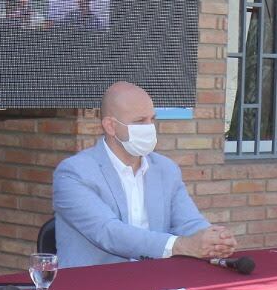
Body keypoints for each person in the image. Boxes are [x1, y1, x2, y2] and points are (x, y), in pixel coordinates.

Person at [53, 81, 236, 267]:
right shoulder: (73, 173)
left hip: (156, 280)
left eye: (152, 119)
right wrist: (180, 246)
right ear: (110, 126)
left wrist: (213, 238)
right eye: (140, 121)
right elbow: (108, 232)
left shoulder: (166, 169)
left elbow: (188, 222)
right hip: (93, 286)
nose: (149, 127)